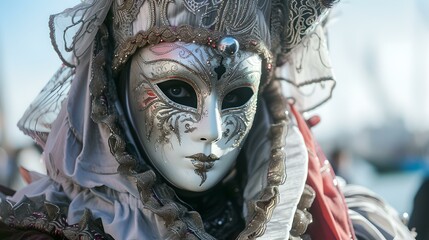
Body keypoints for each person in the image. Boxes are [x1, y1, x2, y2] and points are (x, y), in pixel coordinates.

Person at [0, 0, 415, 239]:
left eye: (237, 97)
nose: (212, 131)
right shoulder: (50, 230)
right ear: (113, 87)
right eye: (177, 90)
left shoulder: (327, 220)